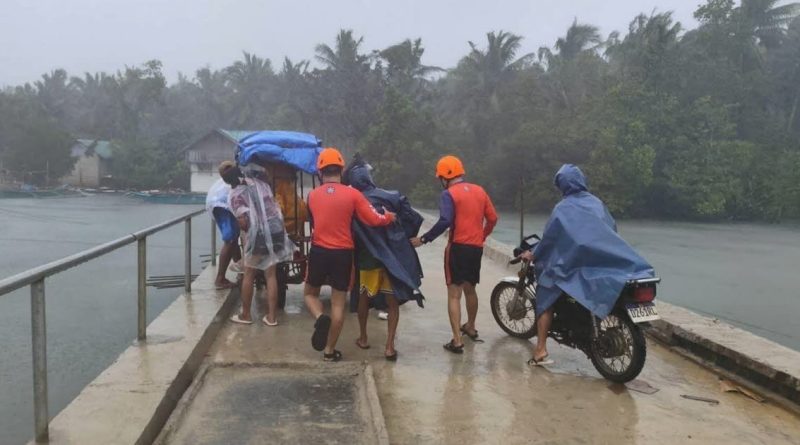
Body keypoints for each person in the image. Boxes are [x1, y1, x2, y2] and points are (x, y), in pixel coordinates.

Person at [519, 164, 654, 366]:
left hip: (573, 266)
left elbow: (549, 239)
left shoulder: (562, 209)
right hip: (602, 262)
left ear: (562, 185)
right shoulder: (597, 204)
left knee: (545, 296)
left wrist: (534, 254)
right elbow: (611, 229)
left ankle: (540, 349)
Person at [304, 148, 396, 362]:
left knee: (310, 294)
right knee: (338, 303)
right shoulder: (353, 194)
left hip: (319, 251)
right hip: (343, 254)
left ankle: (319, 317)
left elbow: (313, 220)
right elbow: (374, 219)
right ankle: (329, 351)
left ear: (320, 171)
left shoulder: (312, 196)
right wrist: (388, 217)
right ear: (342, 170)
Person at [411, 155, 498, 354]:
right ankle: (471, 326)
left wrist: (424, 239)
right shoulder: (480, 191)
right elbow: (493, 218)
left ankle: (457, 341)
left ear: (444, 177)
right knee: (470, 289)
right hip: (476, 248)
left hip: (457, 247)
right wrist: (481, 236)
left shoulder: (449, 194)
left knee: (454, 294)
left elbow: (445, 221)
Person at [344, 154, 425, 361]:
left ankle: (363, 338)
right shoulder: (392, 196)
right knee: (392, 302)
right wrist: (401, 237)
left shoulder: (353, 201)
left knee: (363, 297)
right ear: (370, 178)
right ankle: (389, 346)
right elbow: (413, 218)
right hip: (392, 259)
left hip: (367, 258)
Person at [222, 162, 295, 326]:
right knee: (271, 275)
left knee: (249, 274)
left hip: (259, 235)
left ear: (228, 182)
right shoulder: (261, 183)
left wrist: (247, 234)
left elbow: (244, 222)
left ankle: (246, 315)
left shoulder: (235, 195)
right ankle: (271, 317)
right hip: (276, 231)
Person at [206, 161, 243, 289]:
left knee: (233, 238)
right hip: (223, 207)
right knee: (230, 239)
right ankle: (220, 278)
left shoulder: (222, 182)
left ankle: (240, 270)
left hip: (218, 206)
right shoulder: (232, 181)